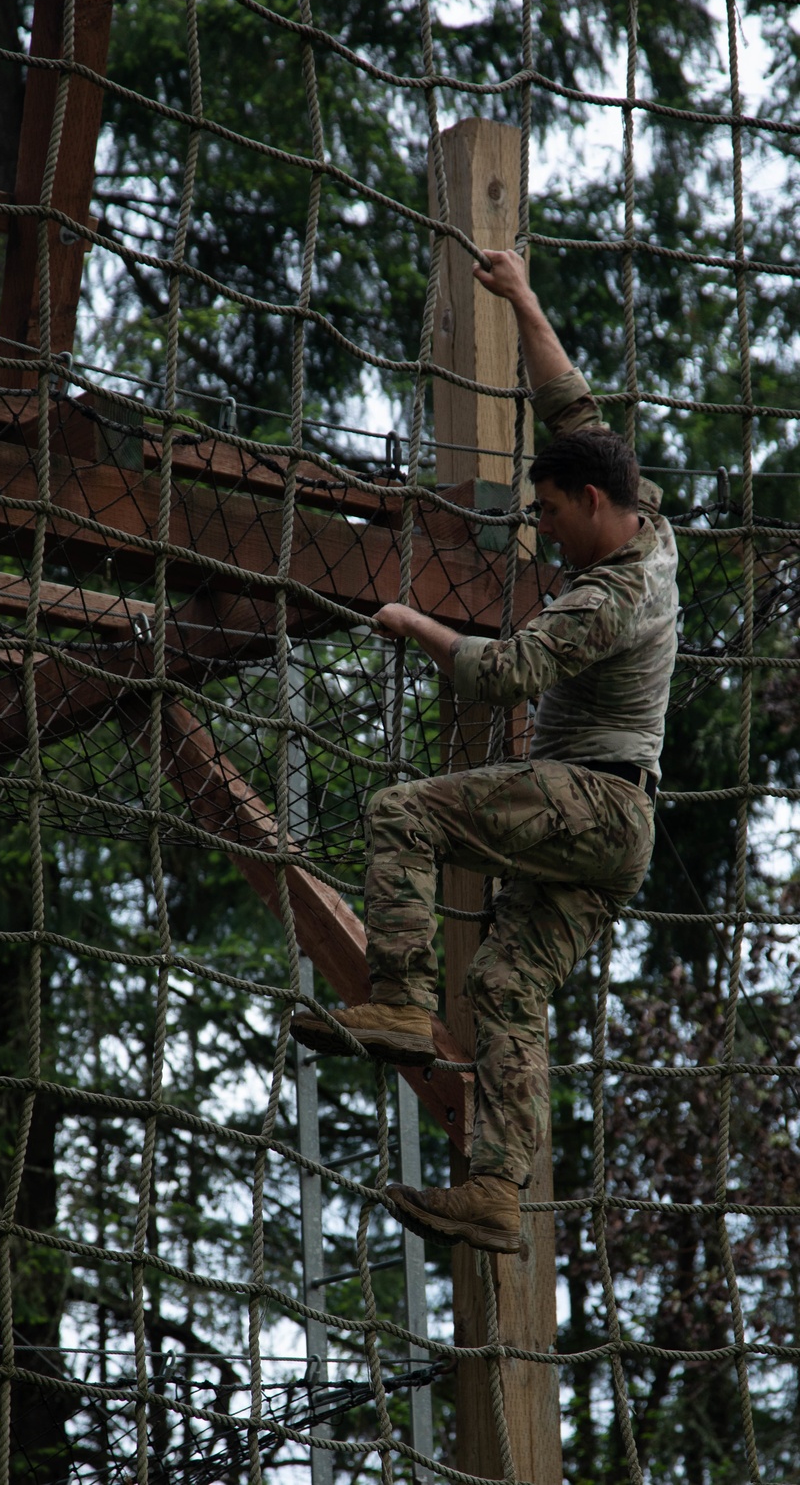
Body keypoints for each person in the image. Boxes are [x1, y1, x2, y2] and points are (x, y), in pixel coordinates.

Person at [290, 249, 679, 1256]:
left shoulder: (613, 596)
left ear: (593, 506)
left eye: (549, 516)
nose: (543, 534)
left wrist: (410, 623)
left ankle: (403, 1003)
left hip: (594, 804)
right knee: (508, 984)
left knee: (401, 813)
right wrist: (519, 297)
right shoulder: (647, 527)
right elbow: (569, 404)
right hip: (612, 833)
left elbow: (506, 675)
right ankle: (499, 1192)